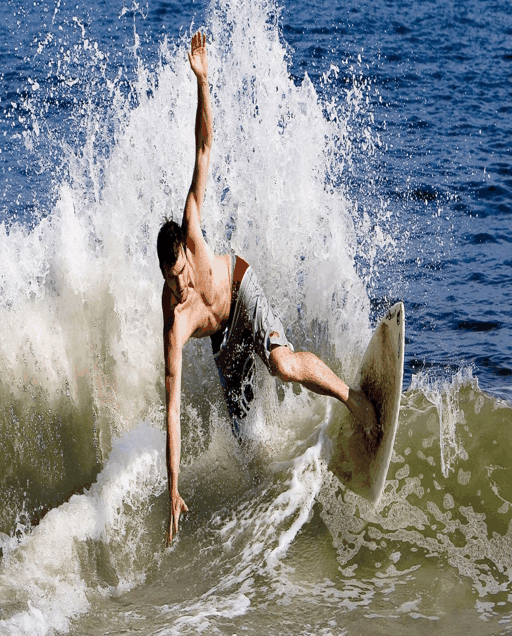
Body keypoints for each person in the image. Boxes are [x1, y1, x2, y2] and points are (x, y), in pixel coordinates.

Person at [157, 32, 376, 545]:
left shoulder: (190, 226)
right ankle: (290, 501)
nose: (183, 285)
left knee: (281, 363)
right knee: (248, 444)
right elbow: (170, 408)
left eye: (184, 274)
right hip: (221, 340)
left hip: (241, 290)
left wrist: (203, 82)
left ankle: (355, 401)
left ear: (188, 254)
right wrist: (173, 488)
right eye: (172, 282)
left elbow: (204, 147)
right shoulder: (175, 320)